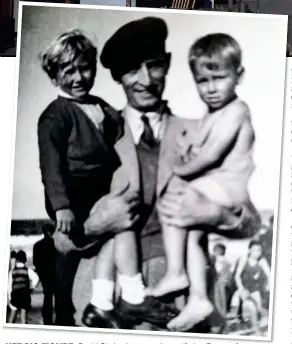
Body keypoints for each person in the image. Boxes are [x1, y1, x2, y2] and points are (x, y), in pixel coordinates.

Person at [69, 17, 261, 333]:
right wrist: (93, 225)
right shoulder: (92, 136)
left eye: (154, 65)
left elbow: (251, 222)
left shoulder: (203, 133)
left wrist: (215, 213)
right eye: (132, 70)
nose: (145, 79)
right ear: (117, 76)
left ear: (168, 64)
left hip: (182, 309)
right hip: (110, 311)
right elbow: (63, 236)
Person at [149, 33, 255, 327]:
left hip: (228, 185)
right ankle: (197, 296)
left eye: (218, 78)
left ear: (239, 75)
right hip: (217, 185)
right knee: (192, 233)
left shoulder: (237, 111)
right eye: (202, 81)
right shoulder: (214, 112)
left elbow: (210, 155)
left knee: (173, 200)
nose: (210, 89)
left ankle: (175, 272)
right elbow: (199, 148)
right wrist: (187, 151)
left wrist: (180, 167)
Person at [37, 29, 125, 326]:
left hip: (105, 192)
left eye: (85, 68)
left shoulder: (101, 106)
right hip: (74, 198)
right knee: (68, 255)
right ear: (54, 76)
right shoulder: (55, 115)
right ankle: (64, 318)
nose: (78, 78)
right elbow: (51, 165)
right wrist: (61, 205)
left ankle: (106, 302)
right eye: (68, 70)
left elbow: (123, 126)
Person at [235, 240, 270, 335]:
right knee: (252, 309)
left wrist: (268, 284)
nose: (257, 253)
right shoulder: (244, 259)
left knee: (259, 309)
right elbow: (237, 276)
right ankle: (256, 330)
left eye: (259, 250)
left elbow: (270, 275)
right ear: (249, 250)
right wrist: (241, 289)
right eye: (255, 250)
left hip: (255, 289)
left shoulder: (262, 261)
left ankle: (252, 322)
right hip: (244, 288)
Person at [33, 223, 57, 325]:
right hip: (55, 273)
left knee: (47, 296)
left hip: (44, 275)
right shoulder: (55, 244)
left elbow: (35, 262)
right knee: (58, 295)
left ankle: (47, 318)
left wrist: (40, 273)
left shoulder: (37, 245)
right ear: (49, 232)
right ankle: (59, 317)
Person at [7, 250, 39, 324]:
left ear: (17, 260)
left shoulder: (12, 271)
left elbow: (10, 286)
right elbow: (36, 278)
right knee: (23, 319)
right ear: (25, 259)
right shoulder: (28, 270)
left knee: (12, 318)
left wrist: (9, 297)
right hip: (24, 296)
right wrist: (32, 288)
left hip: (15, 295)